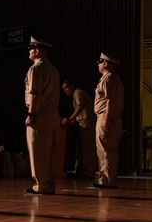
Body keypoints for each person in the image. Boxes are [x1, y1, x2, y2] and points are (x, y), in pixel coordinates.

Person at [24, 37, 60, 195]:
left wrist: (31, 114)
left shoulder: (36, 68)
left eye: (31, 49)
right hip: (53, 113)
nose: (29, 52)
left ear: (37, 50)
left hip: (41, 112)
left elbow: (35, 94)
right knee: (48, 151)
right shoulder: (52, 69)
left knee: (37, 150)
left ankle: (41, 185)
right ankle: (49, 183)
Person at [93, 52, 124, 189]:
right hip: (110, 117)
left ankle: (106, 181)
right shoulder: (111, 78)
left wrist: (106, 119)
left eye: (100, 62)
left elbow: (109, 101)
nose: (98, 65)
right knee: (107, 150)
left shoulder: (108, 79)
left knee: (105, 150)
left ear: (105, 64)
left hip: (106, 117)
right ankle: (106, 180)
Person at [61, 80, 98, 179]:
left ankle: (89, 173)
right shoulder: (75, 95)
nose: (66, 91)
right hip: (82, 123)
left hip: (87, 124)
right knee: (80, 148)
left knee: (88, 148)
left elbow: (81, 106)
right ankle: (79, 171)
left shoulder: (78, 93)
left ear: (72, 86)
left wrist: (70, 118)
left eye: (67, 88)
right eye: (64, 89)